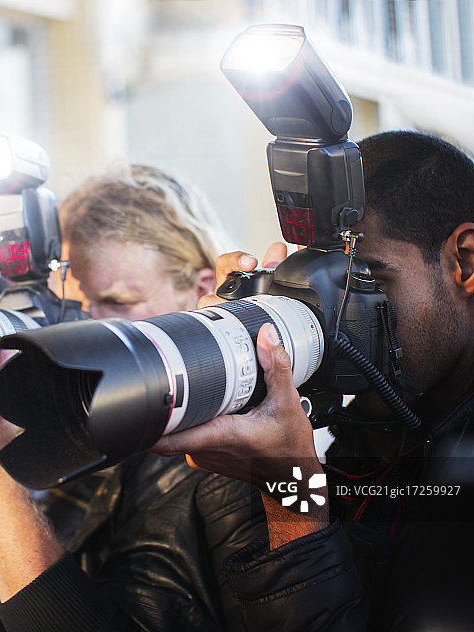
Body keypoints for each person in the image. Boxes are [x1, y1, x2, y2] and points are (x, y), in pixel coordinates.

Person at [0, 163, 281, 631]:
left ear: (200, 289)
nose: (89, 328)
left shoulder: (234, 449)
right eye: (71, 305)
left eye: (119, 303)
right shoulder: (62, 413)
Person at [154, 130, 474, 630]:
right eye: (315, 283)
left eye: (364, 281)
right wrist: (246, 385)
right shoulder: (381, 426)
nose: (336, 317)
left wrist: (291, 496)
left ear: (465, 260)